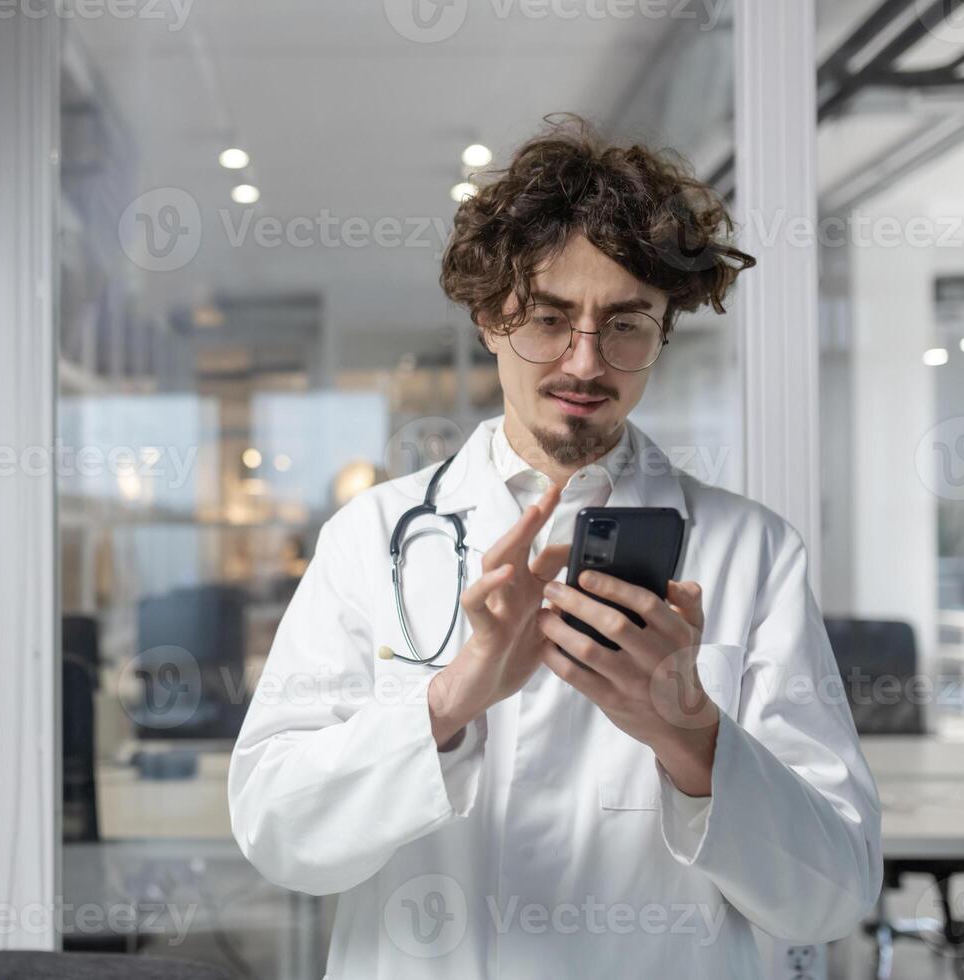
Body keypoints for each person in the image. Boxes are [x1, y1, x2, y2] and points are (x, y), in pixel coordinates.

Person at [227, 114, 882, 978]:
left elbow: (831, 895)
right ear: (489, 317)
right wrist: (450, 703)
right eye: (547, 317)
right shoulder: (370, 539)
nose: (584, 363)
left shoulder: (752, 553)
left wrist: (690, 738)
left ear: (662, 333)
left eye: (625, 324)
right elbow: (280, 835)